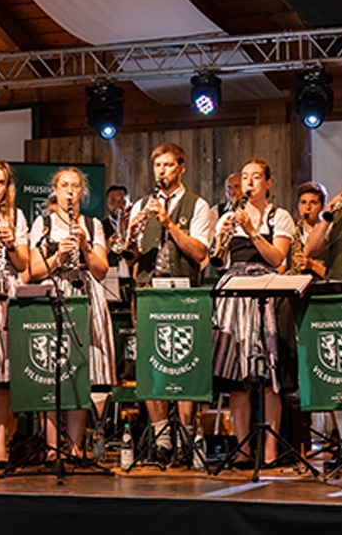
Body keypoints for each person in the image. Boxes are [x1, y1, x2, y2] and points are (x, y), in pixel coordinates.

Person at [125, 142, 212, 464]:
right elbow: (131, 257)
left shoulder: (197, 205)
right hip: (148, 291)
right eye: (157, 166)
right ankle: (161, 438)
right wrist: (131, 236)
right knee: (152, 363)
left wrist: (169, 225)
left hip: (184, 292)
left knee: (185, 361)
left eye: (168, 165)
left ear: (181, 168)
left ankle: (186, 436)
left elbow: (200, 253)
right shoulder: (141, 204)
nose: (161, 171)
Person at [210, 158, 295, 467]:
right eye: (245, 177)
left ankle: (270, 452)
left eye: (256, 177)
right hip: (234, 293)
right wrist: (221, 239)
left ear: (268, 183)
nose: (248, 182)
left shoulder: (278, 216)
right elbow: (218, 262)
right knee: (237, 380)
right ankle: (244, 449)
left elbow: (277, 258)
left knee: (269, 379)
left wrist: (252, 231)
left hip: (266, 292)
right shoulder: (228, 216)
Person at [27, 167, 115, 459]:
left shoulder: (92, 224)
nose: (69, 191)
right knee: (51, 371)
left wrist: (86, 247)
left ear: (82, 192)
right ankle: (53, 447)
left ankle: (76, 447)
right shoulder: (43, 224)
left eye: (75, 186)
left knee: (80, 371)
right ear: (55, 190)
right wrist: (58, 256)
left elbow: (101, 271)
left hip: (85, 296)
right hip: (53, 296)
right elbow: (33, 271)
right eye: (64, 185)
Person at [0, 161, 30, 466]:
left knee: (3, 376)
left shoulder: (15, 216)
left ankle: (1, 444)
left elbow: (23, 265)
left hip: (5, 297)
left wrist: (10, 245)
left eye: (1, 183)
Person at [286, 182, 326, 277]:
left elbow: (335, 274)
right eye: (303, 202)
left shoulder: (328, 232)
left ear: (322, 207)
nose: (307, 208)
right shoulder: (293, 232)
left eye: (313, 203)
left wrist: (312, 265)